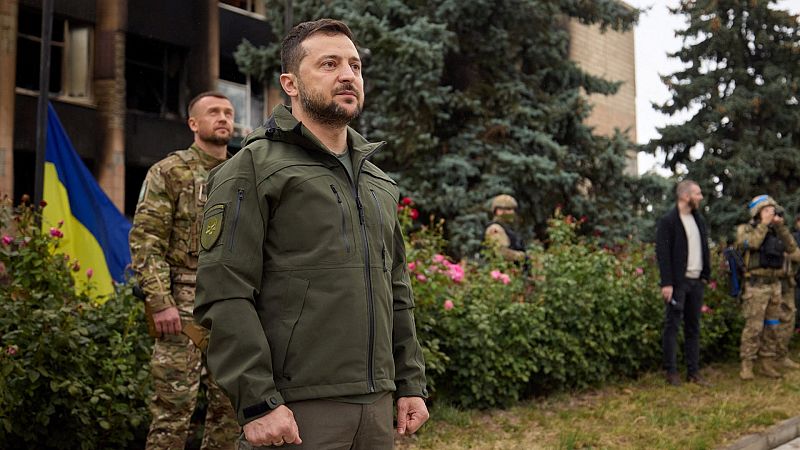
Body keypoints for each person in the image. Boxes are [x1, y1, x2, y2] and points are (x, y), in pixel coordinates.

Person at [194, 19, 429, 449]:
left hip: (376, 408)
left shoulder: (378, 181)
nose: (347, 75)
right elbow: (224, 291)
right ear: (291, 83)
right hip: (296, 412)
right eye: (329, 63)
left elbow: (397, 288)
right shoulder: (253, 168)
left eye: (355, 66)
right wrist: (258, 402)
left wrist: (410, 382)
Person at [129, 91, 240, 449]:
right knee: (173, 410)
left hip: (233, 305)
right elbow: (146, 240)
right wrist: (161, 301)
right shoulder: (169, 171)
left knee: (231, 410)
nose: (223, 118)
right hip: (181, 306)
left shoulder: (243, 175)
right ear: (193, 123)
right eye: (213, 112)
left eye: (228, 112)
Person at [735, 196, 800, 380]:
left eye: (772, 210)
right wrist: (764, 224)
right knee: (753, 327)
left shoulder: (776, 231)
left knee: (772, 326)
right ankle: (747, 364)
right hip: (756, 285)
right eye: (767, 210)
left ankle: (767, 363)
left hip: (775, 286)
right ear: (757, 212)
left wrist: (780, 227)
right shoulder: (745, 230)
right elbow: (752, 243)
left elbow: (792, 248)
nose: (771, 213)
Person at [655, 180, 711, 387]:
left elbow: (704, 248)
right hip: (678, 284)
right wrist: (667, 283)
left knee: (693, 328)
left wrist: (705, 275)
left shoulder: (698, 220)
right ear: (685, 196)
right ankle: (671, 372)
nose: (701, 197)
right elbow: (663, 254)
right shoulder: (669, 221)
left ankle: (693, 372)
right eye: (697, 194)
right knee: (672, 327)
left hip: (696, 282)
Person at [485, 194, 527, 262]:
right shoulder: (495, 228)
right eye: (509, 209)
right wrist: (522, 256)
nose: (512, 212)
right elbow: (501, 252)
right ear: (499, 211)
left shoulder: (507, 228)